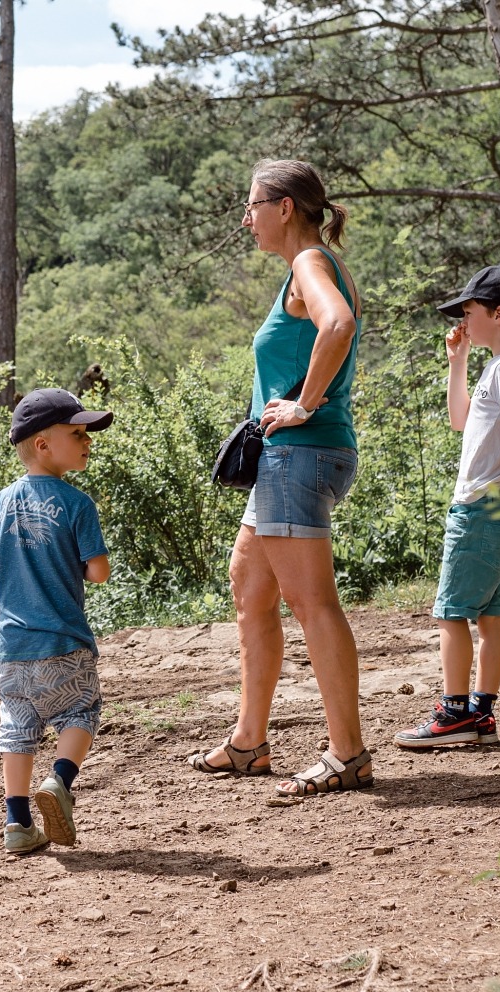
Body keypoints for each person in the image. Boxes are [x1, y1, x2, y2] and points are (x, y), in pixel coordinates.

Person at [185, 159, 371, 796]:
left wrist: (303, 404)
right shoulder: (314, 265)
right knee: (250, 590)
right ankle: (248, 742)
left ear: (285, 207)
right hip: (291, 459)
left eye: (253, 204)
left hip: (301, 452)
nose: (247, 217)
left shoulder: (310, 264)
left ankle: (347, 755)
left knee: (312, 603)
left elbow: (337, 326)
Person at [396, 265, 500, 749]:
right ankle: (480, 715)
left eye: (469, 310)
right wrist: (456, 360)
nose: (462, 318)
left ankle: (453, 712)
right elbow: (460, 421)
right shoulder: (497, 367)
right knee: (490, 614)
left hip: (484, 509)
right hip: (495, 507)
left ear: (499, 314)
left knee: (450, 613)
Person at [0, 388, 113, 854]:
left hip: (10, 648)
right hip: (64, 640)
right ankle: (60, 780)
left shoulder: (0, 501)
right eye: (77, 433)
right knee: (80, 711)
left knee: (18, 727)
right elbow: (99, 573)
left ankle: (16, 823)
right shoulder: (77, 504)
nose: (87, 440)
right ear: (43, 444)